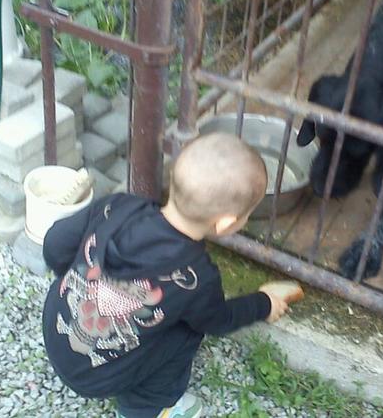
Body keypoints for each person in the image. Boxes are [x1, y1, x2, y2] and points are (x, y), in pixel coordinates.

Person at [41, 132, 289, 418]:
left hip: (55, 329)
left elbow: (55, 244)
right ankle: (147, 409)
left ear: (173, 179)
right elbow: (218, 320)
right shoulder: (195, 277)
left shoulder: (118, 206)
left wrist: (79, 277)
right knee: (188, 332)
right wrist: (263, 304)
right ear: (225, 224)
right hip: (99, 376)